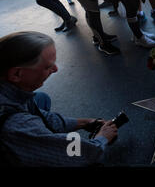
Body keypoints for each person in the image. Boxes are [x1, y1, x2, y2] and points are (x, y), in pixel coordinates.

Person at [0, 31, 118, 166]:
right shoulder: (16, 125)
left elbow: (41, 116)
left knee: (41, 98)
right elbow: (74, 155)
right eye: (48, 66)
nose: (55, 69)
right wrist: (101, 139)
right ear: (16, 73)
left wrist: (84, 123)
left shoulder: (13, 90)